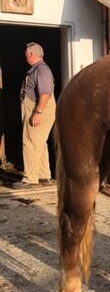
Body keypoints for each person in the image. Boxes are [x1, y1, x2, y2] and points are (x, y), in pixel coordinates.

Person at [11, 42, 56, 188]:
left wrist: (38, 112)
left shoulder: (41, 70)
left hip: (39, 110)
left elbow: (45, 93)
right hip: (36, 110)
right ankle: (43, 176)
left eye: (26, 54)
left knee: (30, 143)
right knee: (39, 143)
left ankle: (30, 178)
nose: (25, 56)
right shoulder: (37, 70)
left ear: (31, 54)